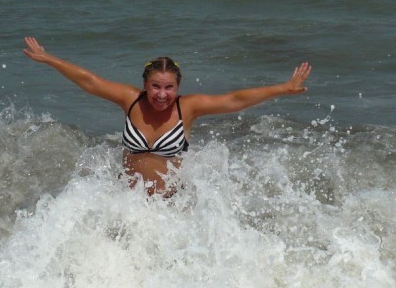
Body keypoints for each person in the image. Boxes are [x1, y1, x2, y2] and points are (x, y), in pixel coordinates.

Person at [23, 36, 311, 195]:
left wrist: (283, 88)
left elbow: (235, 100)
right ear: (145, 85)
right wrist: (49, 59)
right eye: (155, 86)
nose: (162, 94)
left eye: (169, 87)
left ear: (178, 86)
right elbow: (90, 81)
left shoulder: (189, 107)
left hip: (171, 207)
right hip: (127, 205)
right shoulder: (130, 100)